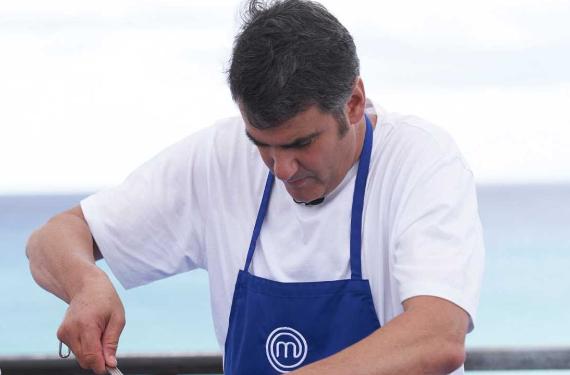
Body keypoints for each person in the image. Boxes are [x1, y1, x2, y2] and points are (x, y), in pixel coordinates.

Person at [26, 0, 484, 374]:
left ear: (354, 103)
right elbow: (55, 237)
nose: (282, 169)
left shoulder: (421, 161)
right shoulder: (218, 157)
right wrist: (84, 283)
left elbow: (436, 337)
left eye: (302, 143)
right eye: (262, 144)